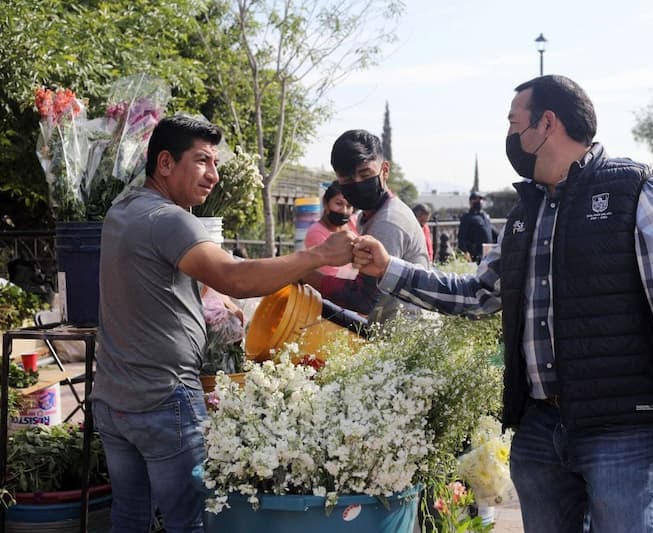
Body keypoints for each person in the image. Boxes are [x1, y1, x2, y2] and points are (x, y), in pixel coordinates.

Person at [353, 74, 653, 533]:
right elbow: (478, 293)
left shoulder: (638, 193)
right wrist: (389, 268)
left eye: (514, 122)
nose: (509, 135)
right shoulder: (528, 211)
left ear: (547, 124)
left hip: (622, 430)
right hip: (542, 430)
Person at [91, 115, 355, 532]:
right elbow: (236, 277)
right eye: (202, 161)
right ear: (164, 163)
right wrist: (318, 257)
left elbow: (156, 281)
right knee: (193, 522)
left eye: (215, 163)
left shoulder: (122, 210)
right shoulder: (170, 219)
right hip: (162, 399)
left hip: (113, 397)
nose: (213, 176)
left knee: (129, 517)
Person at [307, 129, 429, 323]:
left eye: (365, 174)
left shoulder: (388, 222)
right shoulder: (369, 215)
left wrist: (303, 273)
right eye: (347, 179)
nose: (357, 183)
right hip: (391, 332)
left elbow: (364, 299)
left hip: (405, 337)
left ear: (385, 170)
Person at [304, 182, 359, 279]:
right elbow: (330, 276)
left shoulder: (354, 222)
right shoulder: (316, 233)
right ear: (326, 203)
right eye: (338, 203)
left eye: (349, 206)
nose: (344, 211)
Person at [457, 191, 497, 263]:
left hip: (488, 253)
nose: (480, 202)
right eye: (477, 199)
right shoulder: (467, 218)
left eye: (481, 199)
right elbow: (461, 238)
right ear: (471, 202)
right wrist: (465, 253)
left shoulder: (485, 216)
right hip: (475, 255)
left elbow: (492, 232)